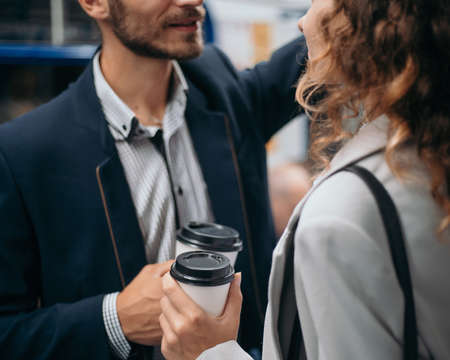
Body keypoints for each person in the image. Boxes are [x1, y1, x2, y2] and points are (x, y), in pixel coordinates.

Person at [0, 0, 307, 358]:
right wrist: (115, 318)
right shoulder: (25, 153)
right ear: (95, 3)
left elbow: (335, 46)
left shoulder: (223, 91)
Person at [158, 0, 450, 359]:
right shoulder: (428, 154)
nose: (301, 23)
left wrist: (209, 353)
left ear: (364, 22)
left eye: (315, 1)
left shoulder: (341, 218)